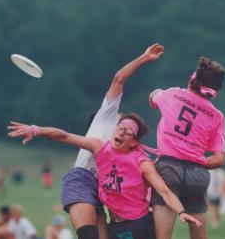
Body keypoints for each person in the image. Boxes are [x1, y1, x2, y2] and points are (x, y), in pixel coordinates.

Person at [9, 43, 164, 239]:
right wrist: (144, 58)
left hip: (103, 191)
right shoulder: (107, 115)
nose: (123, 120)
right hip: (81, 180)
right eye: (122, 120)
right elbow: (119, 79)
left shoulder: (128, 144)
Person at [8, 114, 203, 239]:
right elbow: (64, 136)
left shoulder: (141, 162)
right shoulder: (100, 148)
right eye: (120, 127)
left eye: (127, 132)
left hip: (139, 226)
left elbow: (164, 191)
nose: (122, 131)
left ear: (134, 142)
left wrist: (181, 211)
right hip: (115, 227)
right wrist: (36, 130)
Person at [149, 56, 225, 239]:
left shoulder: (172, 94)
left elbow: (153, 98)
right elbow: (220, 158)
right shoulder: (217, 116)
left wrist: (157, 91)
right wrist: (199, 162)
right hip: (197, 174)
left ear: (192, 80)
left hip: (167, 169)